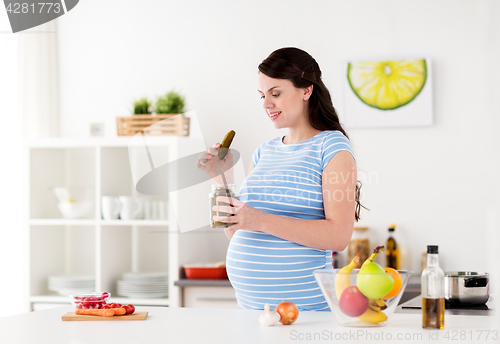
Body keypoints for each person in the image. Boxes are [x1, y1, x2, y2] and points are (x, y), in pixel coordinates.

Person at [196, 47, 365, 311]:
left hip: (305, 312)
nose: (266, 104)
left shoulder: (332, 148)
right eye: (262, 95)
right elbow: (239, 231)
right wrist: (223, 180)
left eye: (276, 93)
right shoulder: (265, 151)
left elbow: (338, 235)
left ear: (306, 90)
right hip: (251, 312)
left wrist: (260, 219)